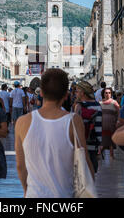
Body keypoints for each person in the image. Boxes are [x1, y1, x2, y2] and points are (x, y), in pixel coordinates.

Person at [15, 69, 94, 198]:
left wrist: (26, 190)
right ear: (66, 95)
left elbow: (20, 165)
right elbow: (84, 159)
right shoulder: (73, 121)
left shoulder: (22, 122)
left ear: (41, 92)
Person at [74, 81, 103, 173]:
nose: (75, 93)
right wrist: (100, 143)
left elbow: (75, 127)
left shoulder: (79, 106)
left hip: (81, 145)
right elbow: (99, 126)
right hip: (93, 143)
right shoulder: (98, 105)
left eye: (77, 91)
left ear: (83, 92)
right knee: (91, 174)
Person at [100, 88, 120, 159]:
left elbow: (119, 112)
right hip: (102, 124)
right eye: (106, 93)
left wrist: (118, 121)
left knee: (111, 139)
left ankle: (112, 155)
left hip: (111, 124)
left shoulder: (114, 102)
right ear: (103, 94)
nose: (107, 94)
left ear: (111, 94)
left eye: (109, 93)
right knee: (103, 139)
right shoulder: (100, 103)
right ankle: (99, 152)